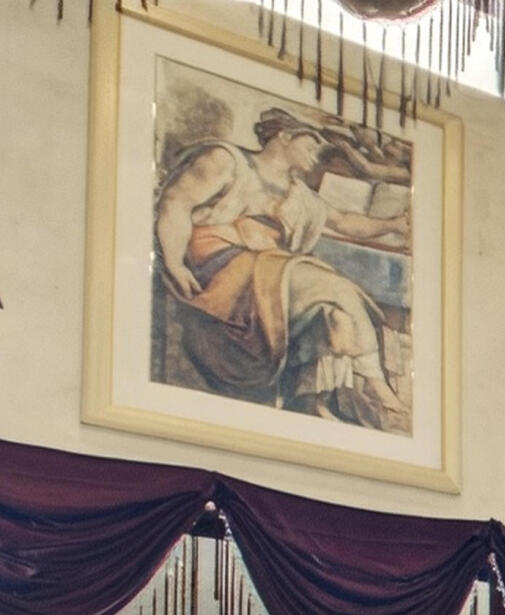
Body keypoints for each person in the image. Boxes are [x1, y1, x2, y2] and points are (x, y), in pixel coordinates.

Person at [152, 107, 413, 429]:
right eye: (311, 144)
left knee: (332, 313)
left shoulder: (298, 193)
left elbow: (345, 222)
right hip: (217, 263)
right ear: (284, 136)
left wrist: (395, 225)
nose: (316, 156)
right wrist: (175, 262)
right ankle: (380, 389)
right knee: (334, 288)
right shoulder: (226, 161)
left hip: (265, 268)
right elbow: (176, 202)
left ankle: (312, 400)